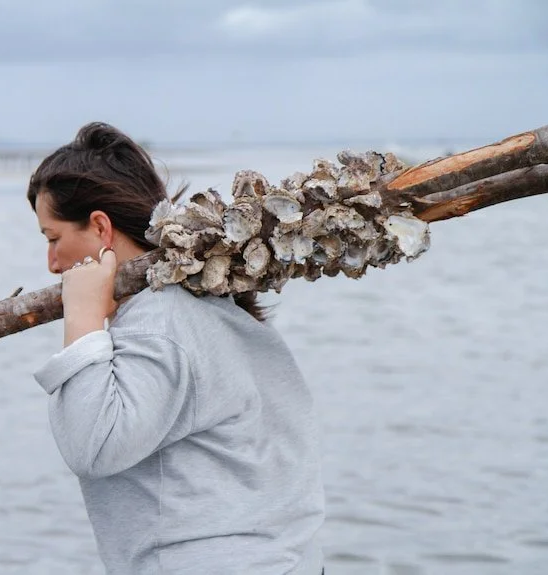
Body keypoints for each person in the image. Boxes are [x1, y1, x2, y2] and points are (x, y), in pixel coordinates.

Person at [27, 122, 325, 574]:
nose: (51, 264)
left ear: (101, 227)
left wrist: (84, 320)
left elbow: (93, 446)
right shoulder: (216, 305)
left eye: (53, 239)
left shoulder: (158, 322)